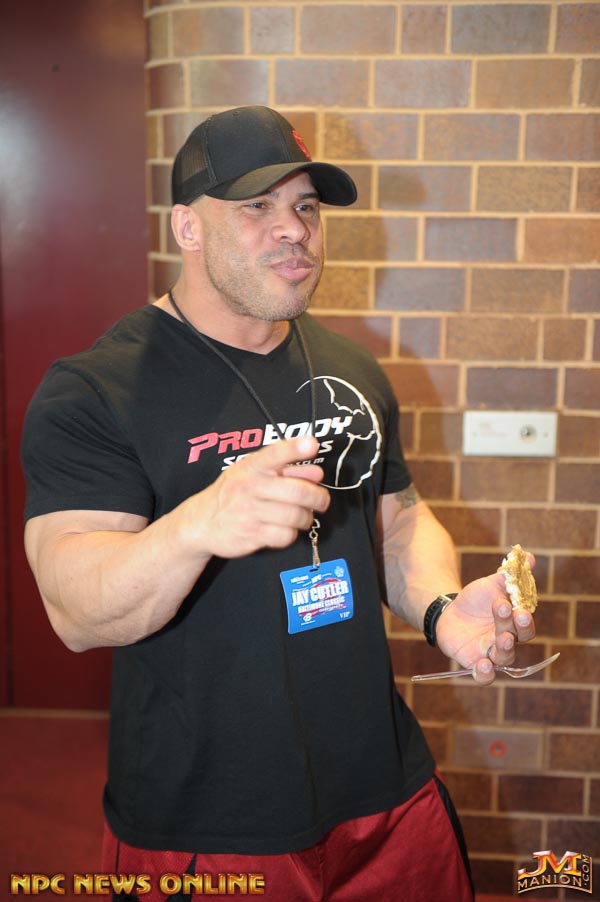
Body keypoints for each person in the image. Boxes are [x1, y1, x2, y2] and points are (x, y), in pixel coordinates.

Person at [22, 105, 536, 901]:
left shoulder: (352, 369)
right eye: (256, 205)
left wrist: (441, 609)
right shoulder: (98, 389)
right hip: (205, 826)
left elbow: (396, 517)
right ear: (187, 228)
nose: (293, 229)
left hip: (385, 793)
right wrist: (198, 525)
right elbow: (75, 609)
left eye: (305, 206)